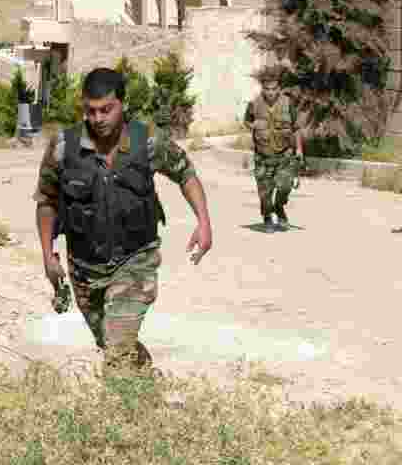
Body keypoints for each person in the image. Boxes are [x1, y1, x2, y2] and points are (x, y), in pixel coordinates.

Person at [32, 67, 214, 373]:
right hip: (85, 268)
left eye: (106, 110)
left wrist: (204, 222)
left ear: (122, 105)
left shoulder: (148, 141)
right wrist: (47, 254)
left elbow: (186, 173)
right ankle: (144, 383)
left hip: (135, 260)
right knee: (112, 344)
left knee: (116, 352)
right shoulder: (64, 147)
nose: (98, 118)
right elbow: (46, 200)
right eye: (90, 111)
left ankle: (126, 410)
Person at [242, 68, 304, 229]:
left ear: (279, 89)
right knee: (264, 193)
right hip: (263, 156)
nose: (270, 92)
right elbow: (247, 121)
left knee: (285, 186)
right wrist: (253, 125)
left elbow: (296, 127)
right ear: (263, 88)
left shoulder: (288, 103)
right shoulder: (254, 104)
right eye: (267, 89)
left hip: (284, 155)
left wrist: (299, 149)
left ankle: (279, 206)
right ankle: (268, 215)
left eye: (274, 89)